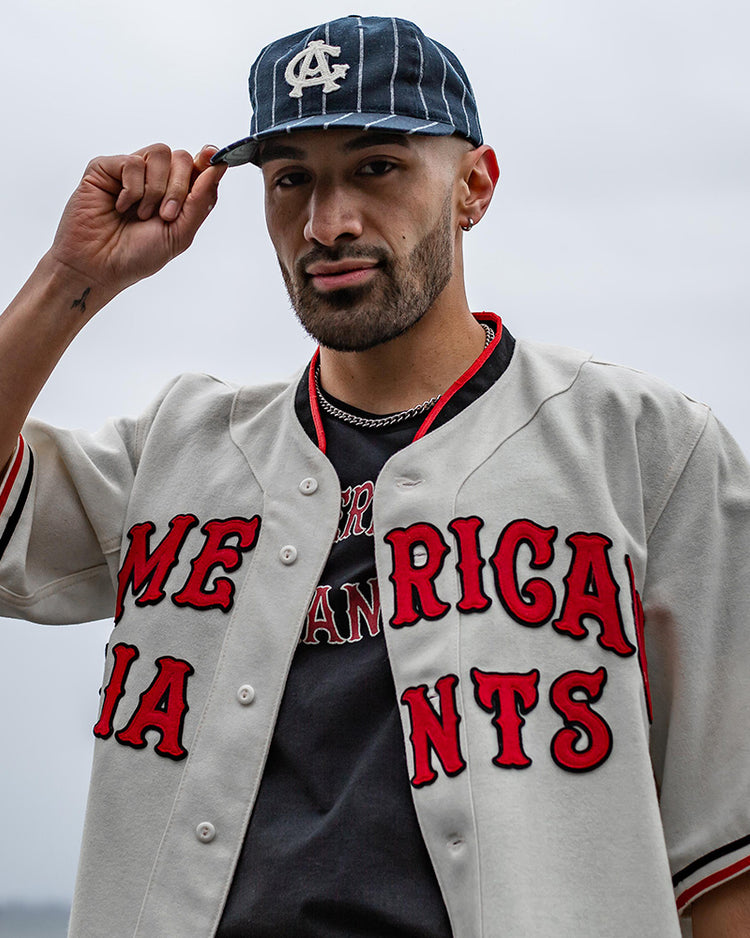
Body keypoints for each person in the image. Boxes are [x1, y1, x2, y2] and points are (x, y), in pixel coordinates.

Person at [1, 14, 749, 938]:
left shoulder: (649, 451)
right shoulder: (178, 449)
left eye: (376, 167)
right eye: (292, 180)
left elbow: (726, 859)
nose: (329, 222)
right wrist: (71, 277)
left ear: (473, 186)